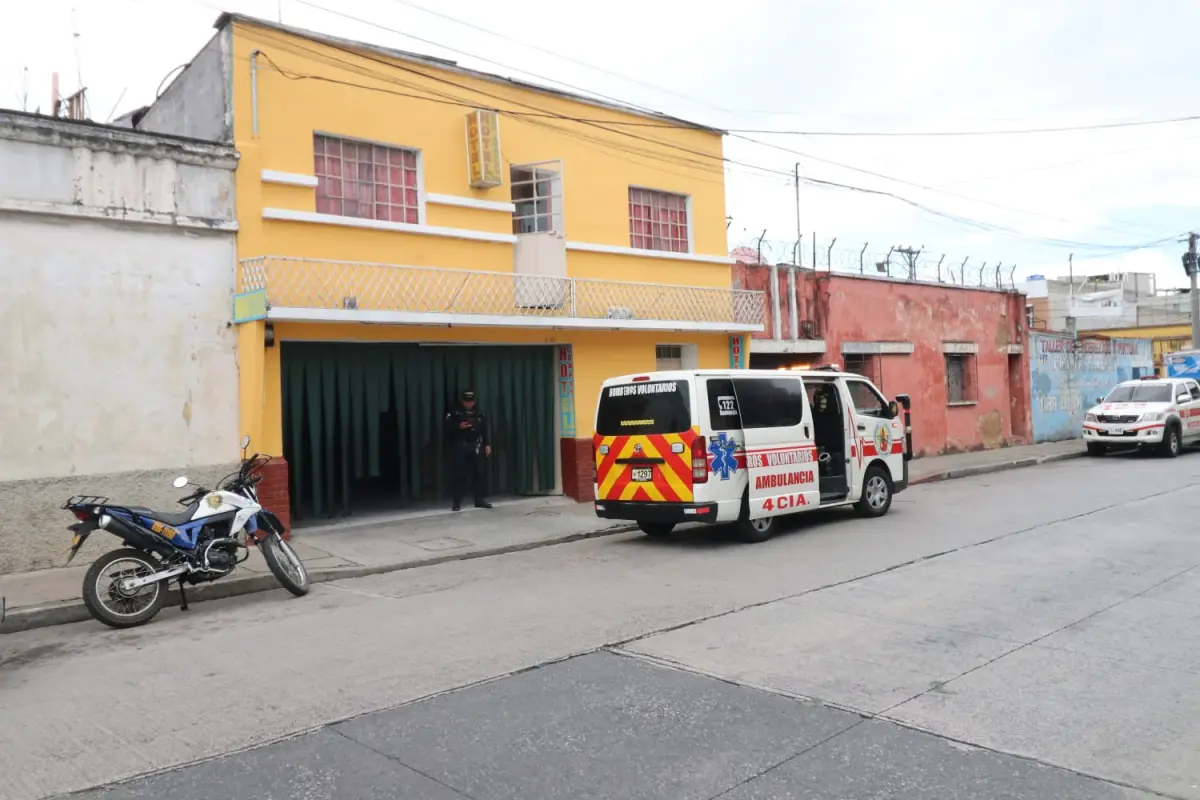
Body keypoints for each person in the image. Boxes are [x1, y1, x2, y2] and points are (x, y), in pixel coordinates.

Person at [443, 390, 493, 511]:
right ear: (462, 401)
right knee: (459, 475)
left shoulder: (479, 413)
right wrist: (458, 427)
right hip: (461, 446)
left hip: (476, 446)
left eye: (471, 401)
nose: (468, 404)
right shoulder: (454, 412)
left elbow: (484, 429)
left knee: (479, 473)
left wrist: (487, 444)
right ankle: (456, 502)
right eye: (466, 401)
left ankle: (479, 500)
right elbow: (446, 429)